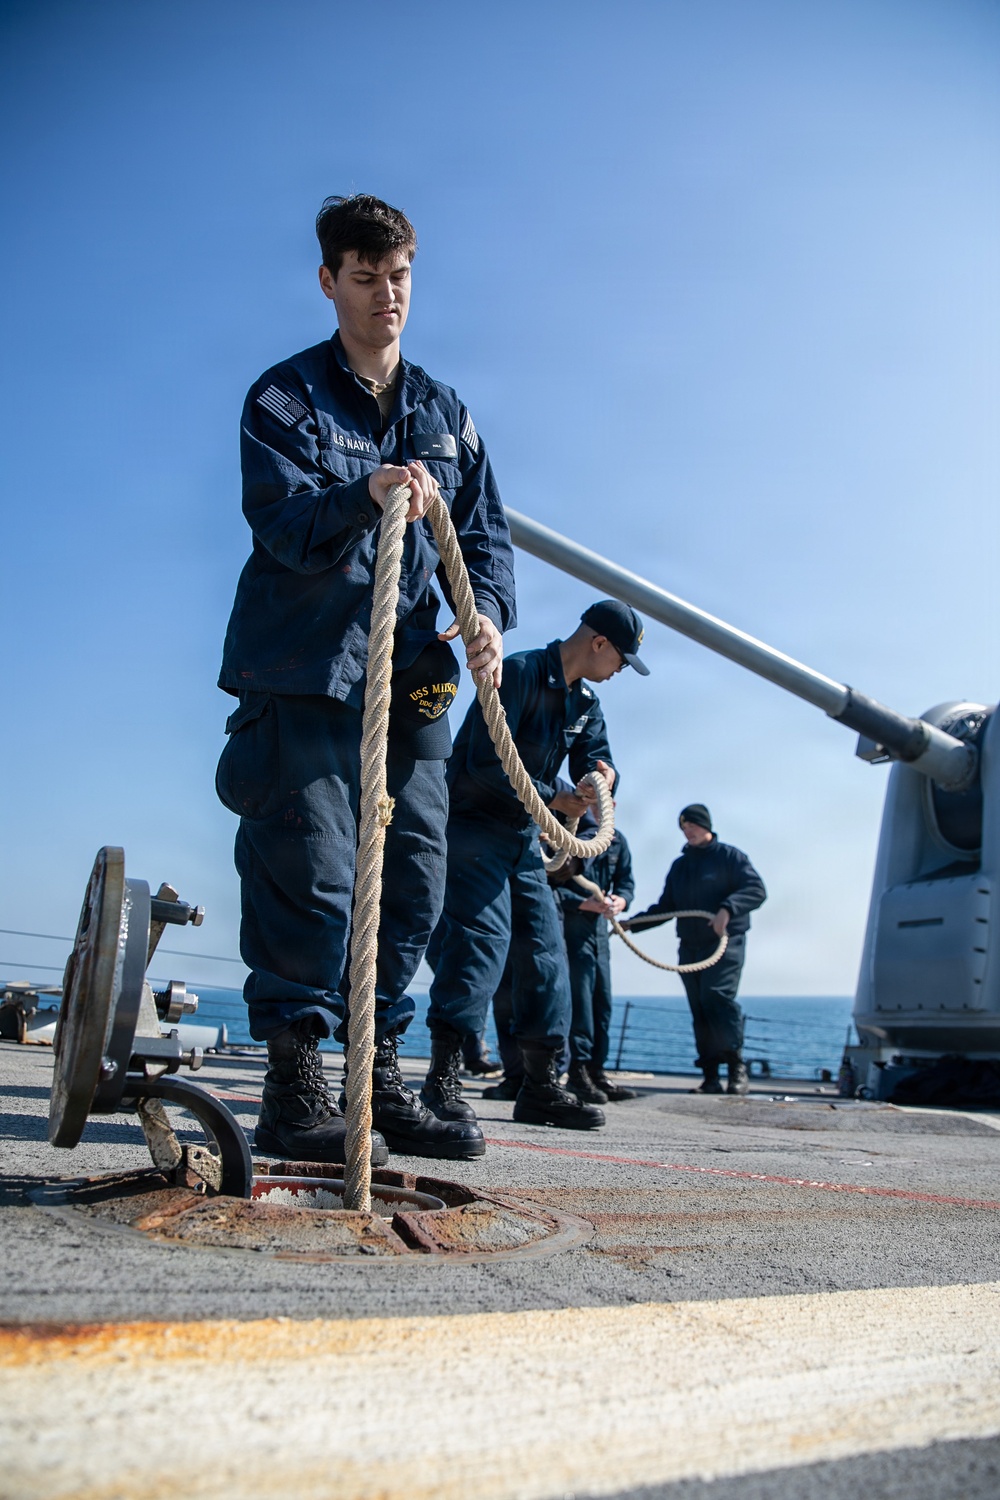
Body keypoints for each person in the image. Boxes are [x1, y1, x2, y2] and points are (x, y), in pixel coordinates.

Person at [215, 194, 516, 1164]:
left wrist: (486, 616)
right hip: (302, 667)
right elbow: (282, 522)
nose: (387, 295)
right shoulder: (284, 398)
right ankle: (297, 1086)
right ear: (328, 282)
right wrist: (367, 491)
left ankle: (376, 1078)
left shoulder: (447, 416)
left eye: (400, 277)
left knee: (415, 876)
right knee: (309, 871)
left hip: (412, 677)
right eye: (365, 277)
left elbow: (485, 537)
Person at [421, 600, 649, 1134]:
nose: (621, 670)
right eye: (622, 659)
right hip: (474, 826)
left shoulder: (586, 702)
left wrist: (602, 778)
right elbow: (484, 762)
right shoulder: (518, 673)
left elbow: (596, 756)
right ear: (598, 643)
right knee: (480, 944)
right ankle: (443, 1078)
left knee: (546, 952)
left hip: (524, 836)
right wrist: (555, 797)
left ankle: (542, 1085)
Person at [623, 804, 765, 1094]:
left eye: (693, 826)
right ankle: (710, 1076)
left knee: (717, 997)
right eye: (684, 828)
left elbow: (756, 890)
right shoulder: (680, 866)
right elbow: (666, 907)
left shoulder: (731, 857)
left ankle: (736, 1067)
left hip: (725, 944)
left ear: (707, 826)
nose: (688, 832)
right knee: (699, 1005)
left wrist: (727, 909)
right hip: (690, 946)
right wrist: (631, 924)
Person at [549, 809, 638, 1104]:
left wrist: (620, 900)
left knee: (602, 1004)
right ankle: (578, 1071)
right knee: (580, 1004)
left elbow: (626, 882)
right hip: (571, 930)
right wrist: (580, 903)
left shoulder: (617, 841)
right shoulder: (563, 836)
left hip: (599, 933)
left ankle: (597, 1071)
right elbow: (549, 885)